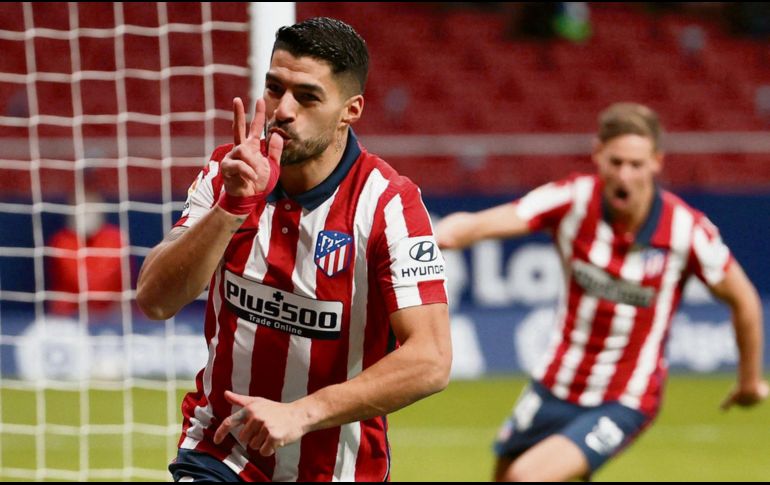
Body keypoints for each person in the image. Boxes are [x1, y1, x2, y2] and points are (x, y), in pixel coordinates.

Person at [136, 17, 451, 482]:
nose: (283, 110)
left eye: (307, 96)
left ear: (351, 110)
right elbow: (155, 299)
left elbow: (431, 359)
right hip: (221, 453)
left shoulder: (387, 204)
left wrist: (301, 412)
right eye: (274, 88)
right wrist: (231, 207)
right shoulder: (228, 172)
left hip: (340, 468)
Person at [435, 102, 768, 481]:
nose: (624, 175)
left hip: (625, 397)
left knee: (525, 478)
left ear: (657, 162)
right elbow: (480, 224)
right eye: (616, 162)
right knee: (506, 475)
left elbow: (744, 299)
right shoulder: (572, 199)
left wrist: (748, 382)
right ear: (598, 155)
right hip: (554, 384)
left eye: (636, 164)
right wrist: (437, 236)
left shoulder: (686, 230)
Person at [47, 189, 125, 318]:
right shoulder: (61, 241)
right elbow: (77, 282)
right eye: (80, 211)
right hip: (70, 312)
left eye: (89, 211)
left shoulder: (115, 238)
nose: (85, 216)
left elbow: (106, 284)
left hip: (112, 311)